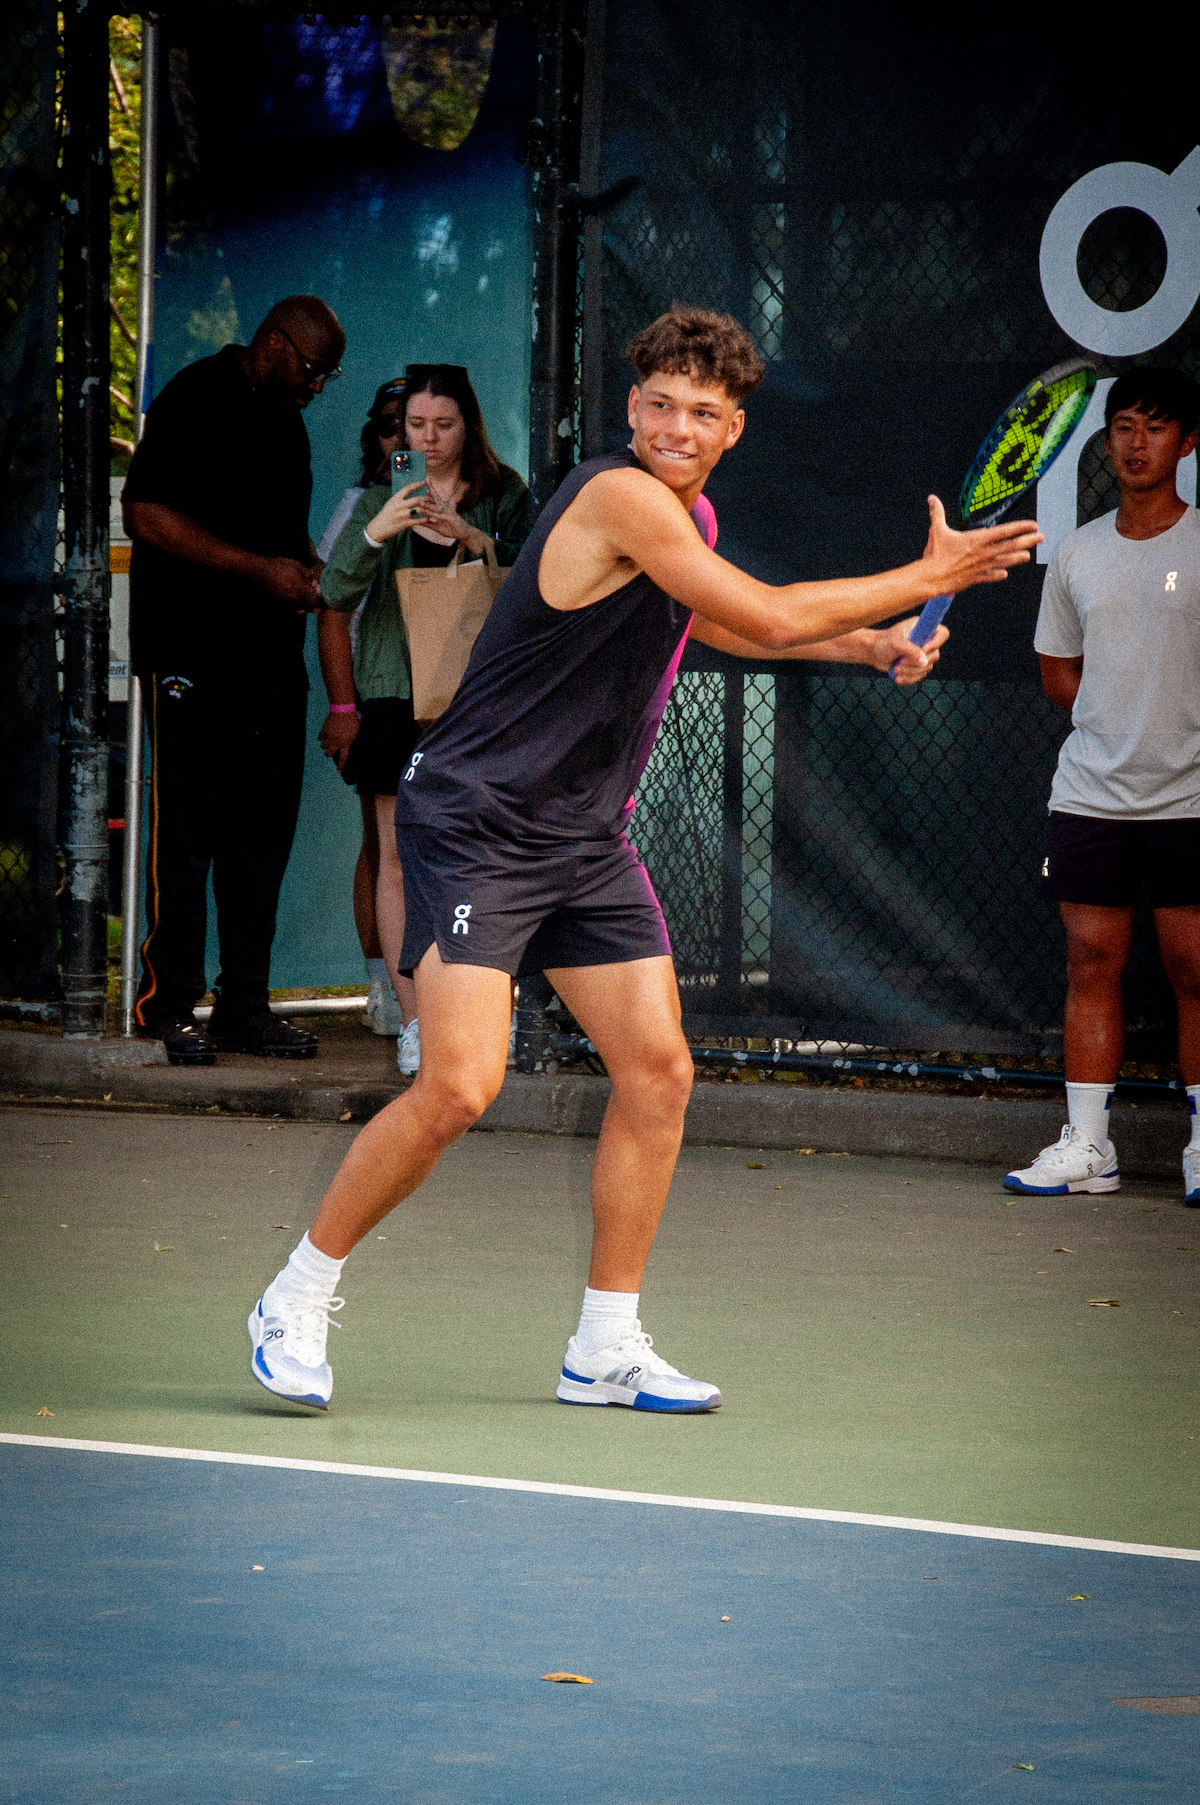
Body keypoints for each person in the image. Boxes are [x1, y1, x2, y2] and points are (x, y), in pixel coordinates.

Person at [247, 307, 1039, 1413]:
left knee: (659, 1071)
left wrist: (857, 642)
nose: (677, 424)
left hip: (581, 835)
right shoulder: (615, 493)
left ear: (734, 428)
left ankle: (604, 1345)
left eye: (702, 412)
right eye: (660, 403)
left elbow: (697, 618)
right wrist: (922, 573)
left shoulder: (684, 516)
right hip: (476, 820)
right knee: (461, 1085)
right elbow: (758, 614)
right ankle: (296, 1291)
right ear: (632, 408)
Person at [123, 295, 346, 1065]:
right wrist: (260, 570)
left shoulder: (288, 426)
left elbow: (279, 540)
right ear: (277, 344)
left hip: (268, 667)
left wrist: (312, 572)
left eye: (327, 377)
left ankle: (244, 1006)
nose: (317, 387)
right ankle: (168, 1004)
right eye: (313, 370)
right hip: (192, 654)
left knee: (262, 843)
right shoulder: (196, 395)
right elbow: (145, 514)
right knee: (185, 838)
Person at [1004, 366, 1200, 1202]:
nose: (1135, 442)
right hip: (1089, 797)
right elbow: (1058, 672)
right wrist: (1119, 717)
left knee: (1195, 965)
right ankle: (1089, 1146)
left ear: (1186, 443)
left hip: (1193, 800)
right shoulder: (1078, 551)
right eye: (1123, 426)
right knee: (1091, 960)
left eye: (1155, 427)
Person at [317, 364, 530, 1077]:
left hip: (478, 701)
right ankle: (414, 1023)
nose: (429, 439)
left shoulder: (506, 495)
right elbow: (333, 594)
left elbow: (538, 585)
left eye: (444, 425)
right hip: (392, 695)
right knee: (398, 858)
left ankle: (482, 1013)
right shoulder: (384, 495)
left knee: (484, 858)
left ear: (469, 423)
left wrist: (476, 540)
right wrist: (377, 531)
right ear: (399, 431)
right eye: (416, 427)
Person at [315, 377, 409, 1041]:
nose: (404, 437)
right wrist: (344, 706)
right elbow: (330, 608)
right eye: (388, 425)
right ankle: (383, 985)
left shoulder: (482, 500)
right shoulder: (358, 504)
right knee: (382, 844)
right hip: (377, 700)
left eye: (424, 422)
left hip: (454, 700)